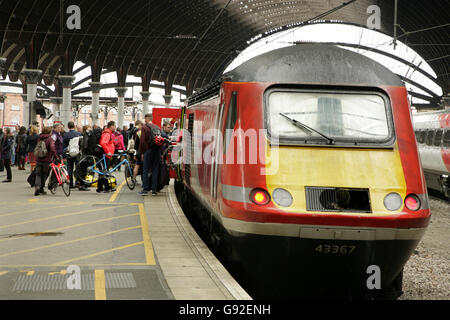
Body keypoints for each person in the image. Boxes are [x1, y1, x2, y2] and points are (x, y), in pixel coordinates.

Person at [139, 114, 162, 196]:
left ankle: (145, 189)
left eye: (145, 119)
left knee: (145, 169)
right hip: (157, 151)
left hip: (148, 151)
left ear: (147, 118)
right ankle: (154, 190)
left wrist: (142, 153)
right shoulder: (157, 127)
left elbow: (142, 142)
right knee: (155, 169)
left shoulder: (145, 127)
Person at [34, 126, 56, 195]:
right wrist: (55, 156)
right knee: (45, 175)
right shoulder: (50, 139)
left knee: (38, 174)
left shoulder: (39, 138)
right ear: (49, 132)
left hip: (38, 159)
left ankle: (37, 186)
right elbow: (52, 149)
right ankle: (41, 188)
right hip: (47, 159)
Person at [63, 121, 84, 190]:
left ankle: (70, 183)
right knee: (78, 168)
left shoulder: (66, 135)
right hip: (77, 153)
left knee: (69, 168)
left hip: (69, 153)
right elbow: (81, 144)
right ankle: (78, 182)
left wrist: (64, 155)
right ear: (74, 126)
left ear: (68, 127)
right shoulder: (78, 134)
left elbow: (64, 145)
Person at [97, 121, 116, 193]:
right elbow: (103, 143)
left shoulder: (108, 133)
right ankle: (105, 188)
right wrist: (108, 151)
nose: (115, 127)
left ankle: (101, 188)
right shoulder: (107, 134)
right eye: (114, 126)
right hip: (105, 155)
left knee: (104, 171)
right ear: (111, 126)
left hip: (106, 155)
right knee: (104, 171)